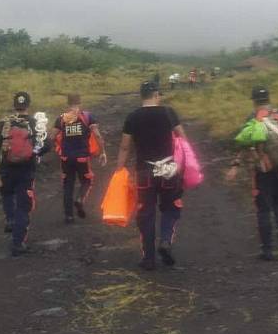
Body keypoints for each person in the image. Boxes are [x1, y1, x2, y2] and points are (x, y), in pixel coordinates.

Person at [116, 81, 186, 270]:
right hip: (169, 170)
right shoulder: (169, 113)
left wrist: (119, 170)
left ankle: (148, 258)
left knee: (145, 213)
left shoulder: (133, 117)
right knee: (171, 207)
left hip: (144, 172)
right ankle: (165, 241)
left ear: (142, 96)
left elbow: (124, 146)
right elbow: (182, 139)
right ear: (156, 95)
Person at [226, 87, 278, 261]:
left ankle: (267, 250)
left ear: (254, 101)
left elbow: (243, 143)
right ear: (269, 98)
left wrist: (235, 166)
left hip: (263, 169)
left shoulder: (252, 118)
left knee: (263, 208)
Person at [0, 91, 50, 257]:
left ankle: (10, 219)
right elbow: (47, 145)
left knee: (7, 193)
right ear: (28, 105)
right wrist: (34, 153)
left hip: (7, 167)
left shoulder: (5, 123)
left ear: (15, 105)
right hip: (26, 169)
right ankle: (18, 243)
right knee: (23, 206)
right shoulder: (35, 123)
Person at [51, 94, 107, 223]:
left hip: (66, 158)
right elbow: (97, 136)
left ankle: (69, 216)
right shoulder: (87, 117)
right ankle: (80, 199)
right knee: (87, 181)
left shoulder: (61, 119)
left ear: (68, 103)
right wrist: (102, 152)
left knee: (67, 185)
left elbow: (52, 137)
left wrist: (60, 147)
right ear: (79, 103)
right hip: (82, 157)